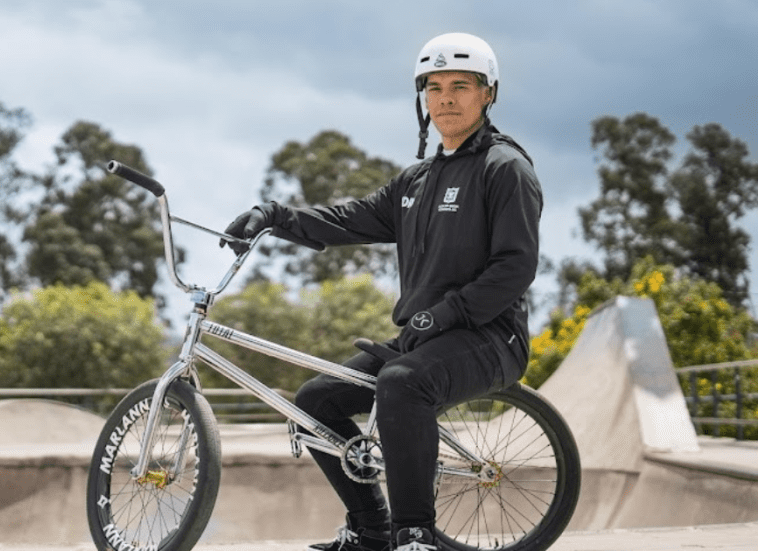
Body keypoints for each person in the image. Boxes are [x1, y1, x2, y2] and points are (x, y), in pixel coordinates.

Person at [222, 33, 543, 551]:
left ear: (487, 94)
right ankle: (371, 529)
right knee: (315, 400)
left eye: (460, 86)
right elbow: (347, 219)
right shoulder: (416, 180)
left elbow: (516, 267)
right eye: (434, 88)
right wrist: (275, 216)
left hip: (490, 337)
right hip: (421, 338)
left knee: (401, 383)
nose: (445, 99)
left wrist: (445, 314)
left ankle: (414, 534)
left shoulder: (505, 169)